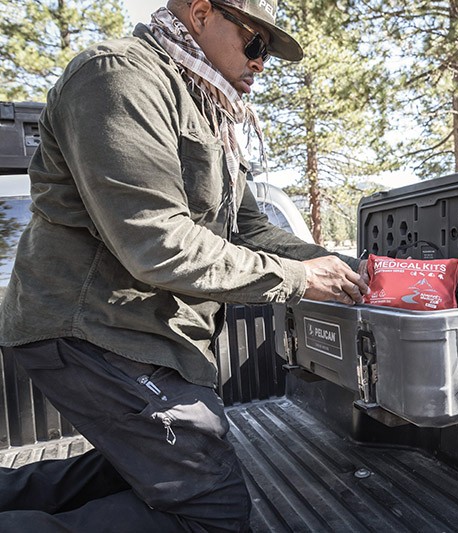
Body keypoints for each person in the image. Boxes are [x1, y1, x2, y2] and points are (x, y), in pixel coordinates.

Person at [0, 0, 369, 531]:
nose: (261, 62)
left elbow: (251, 231)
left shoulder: (211, 114)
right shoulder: (119, 78)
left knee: (130, 471)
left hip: (146, 337)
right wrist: (300, 279)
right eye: (255, 43)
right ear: (200, 13)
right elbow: (156, 241)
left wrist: (348, 267)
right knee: (211, 513)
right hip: (97, 331)